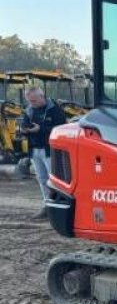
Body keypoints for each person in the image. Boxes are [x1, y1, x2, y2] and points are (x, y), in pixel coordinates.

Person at [20, 86, 66, 219]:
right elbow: (24, 124)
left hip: (50, 149)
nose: (31, 103)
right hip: (34, 149)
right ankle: (47, 206)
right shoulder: (29, 110)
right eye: (29, 101)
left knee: (56, 179)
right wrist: (23, 129)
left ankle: (59, 207)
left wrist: (41, 129)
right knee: (42, 179)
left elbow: (61, 128)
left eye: (34, 100)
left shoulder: (54, 109)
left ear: (42, 96)